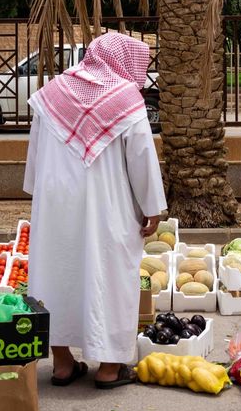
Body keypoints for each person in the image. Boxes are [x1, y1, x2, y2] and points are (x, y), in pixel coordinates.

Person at [23, 32, 167, 389]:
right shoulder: (126, 99)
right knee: (110, 278)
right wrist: (153, 207)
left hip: (56, 203)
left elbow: (35, 159)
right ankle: (108, 367)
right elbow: (142, 160)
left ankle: (61, 364)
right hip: (108, 207)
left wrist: (41, 197)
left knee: (55, 275)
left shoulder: (53, 92)